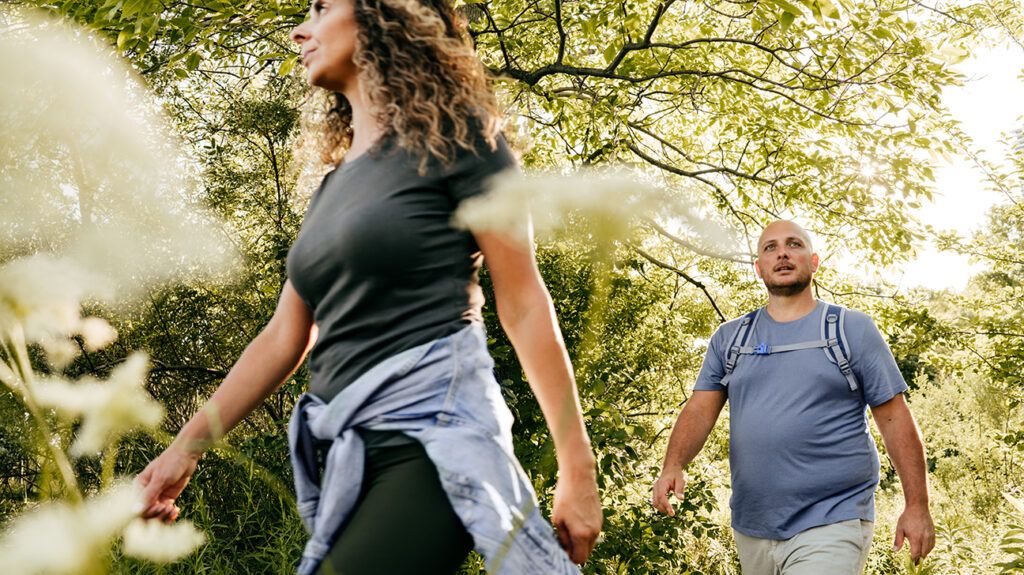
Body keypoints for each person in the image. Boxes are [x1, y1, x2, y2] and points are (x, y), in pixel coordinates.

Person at [134, 1, 602, 573]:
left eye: (322, 6)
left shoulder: (461, 143)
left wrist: (577, 471)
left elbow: (525, 304)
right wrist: (184, 450)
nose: (300, 29)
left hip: (432, 442)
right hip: (345, 459)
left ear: (387, 15)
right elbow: (285, 336)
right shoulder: (332, 189)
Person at [651, 220, 935, 574]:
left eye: (793, 244)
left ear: (814, 262)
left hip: (832, 518)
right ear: (759, 268)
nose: (782, 253)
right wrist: (673, 464)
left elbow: (894, 418)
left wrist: (917, 505)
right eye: (770, 248)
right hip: (752, 526)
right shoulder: (731, 339)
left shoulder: (850, 330)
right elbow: (699, 410)